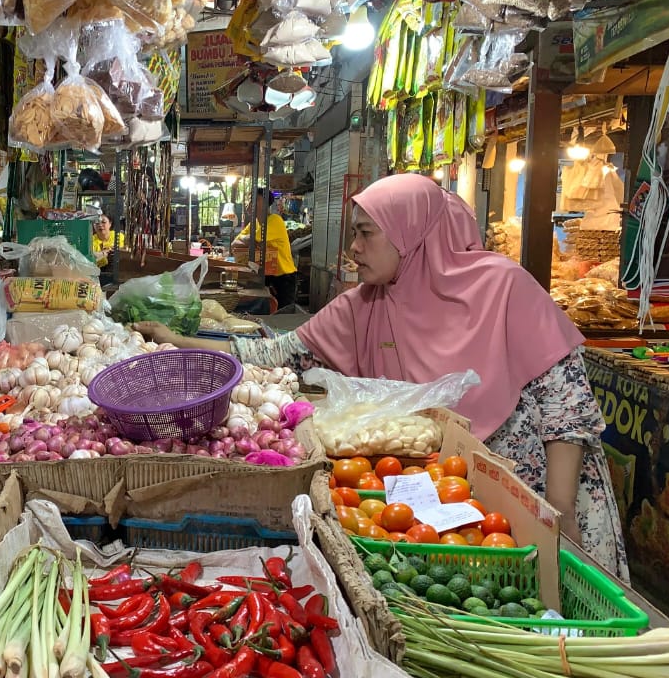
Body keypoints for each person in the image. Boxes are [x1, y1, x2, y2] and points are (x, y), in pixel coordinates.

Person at [137, 173, 629, 580]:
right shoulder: (364, 306)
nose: (353, 248)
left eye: (366, 233)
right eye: (354, 233)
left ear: (410, 232)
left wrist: (558, 511)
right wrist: (176, 342)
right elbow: (273, 355)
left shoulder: (505, 287)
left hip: (541, 491)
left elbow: (569, 412)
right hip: (448, 503)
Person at [232, 188, 299, 309]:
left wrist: (248, 240)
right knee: (265, 310)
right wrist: (249, 239)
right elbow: (234, 243)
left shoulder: (275, 220)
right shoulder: (254, 224)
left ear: (265, 203)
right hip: (265, 274)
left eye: (255, 200)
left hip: (283, 277)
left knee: (283, 313)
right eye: (250, 200)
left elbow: (254, 240)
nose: (250, 203)